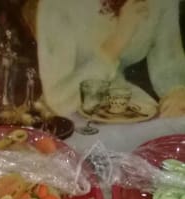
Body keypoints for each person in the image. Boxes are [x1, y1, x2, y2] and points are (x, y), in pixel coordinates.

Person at [34, 0, 185, 117]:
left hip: (127, 103)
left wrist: (177, 91)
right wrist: (117, 41)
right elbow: (59, 99)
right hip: (68, 111)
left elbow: (169, 60)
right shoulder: (57, 4)